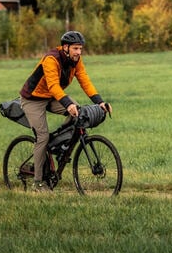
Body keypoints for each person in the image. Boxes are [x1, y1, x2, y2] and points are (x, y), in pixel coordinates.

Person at [18, 30, 112, 192]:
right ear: (66, 47)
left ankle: (60, 145)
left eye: (81, 49)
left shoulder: (76, 61)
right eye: (76, 48)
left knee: (78, 112)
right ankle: (38, 183)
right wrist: (67, 103)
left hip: (52, 97)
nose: (79, 52)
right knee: (42, 137)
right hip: (33, 99)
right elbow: (53, 86)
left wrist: (100, 102)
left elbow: (85, 81)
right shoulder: (51, 59)